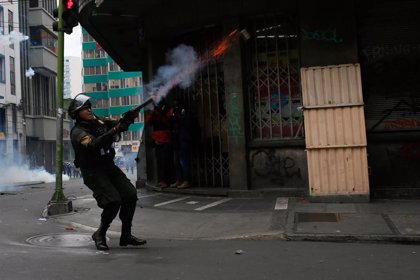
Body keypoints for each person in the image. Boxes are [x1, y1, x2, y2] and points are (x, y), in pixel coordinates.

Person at [68, 93, 146, 251]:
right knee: (113, 201)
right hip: (93, 171)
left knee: (130, 195)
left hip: (108, 166)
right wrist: (114, 130)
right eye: (84, 108)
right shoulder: (78, 132)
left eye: (89, 107)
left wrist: (128, 118)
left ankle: (126, 235)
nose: (89, 110)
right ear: (77, 113)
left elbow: (119, 124)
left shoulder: (100, 121)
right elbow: (94, 144)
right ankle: (100, 234)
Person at [145, 98, 174, 189]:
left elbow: (167, 122)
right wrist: (153, 112)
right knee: (160, 163)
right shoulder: (155, 112)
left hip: (166, 140)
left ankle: (167, 181)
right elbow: (148, 122)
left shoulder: (167, 110)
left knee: (166, 162)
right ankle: (162, 180)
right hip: (158, 141)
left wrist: (158, 113)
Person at [170, 103, 193, 189]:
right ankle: (179, 179)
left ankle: (186, 180)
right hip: (177, 140)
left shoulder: (185, 116)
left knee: (183, 161)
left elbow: (185, 124)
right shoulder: (176, 117)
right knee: (176, 162)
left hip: (183, 140)